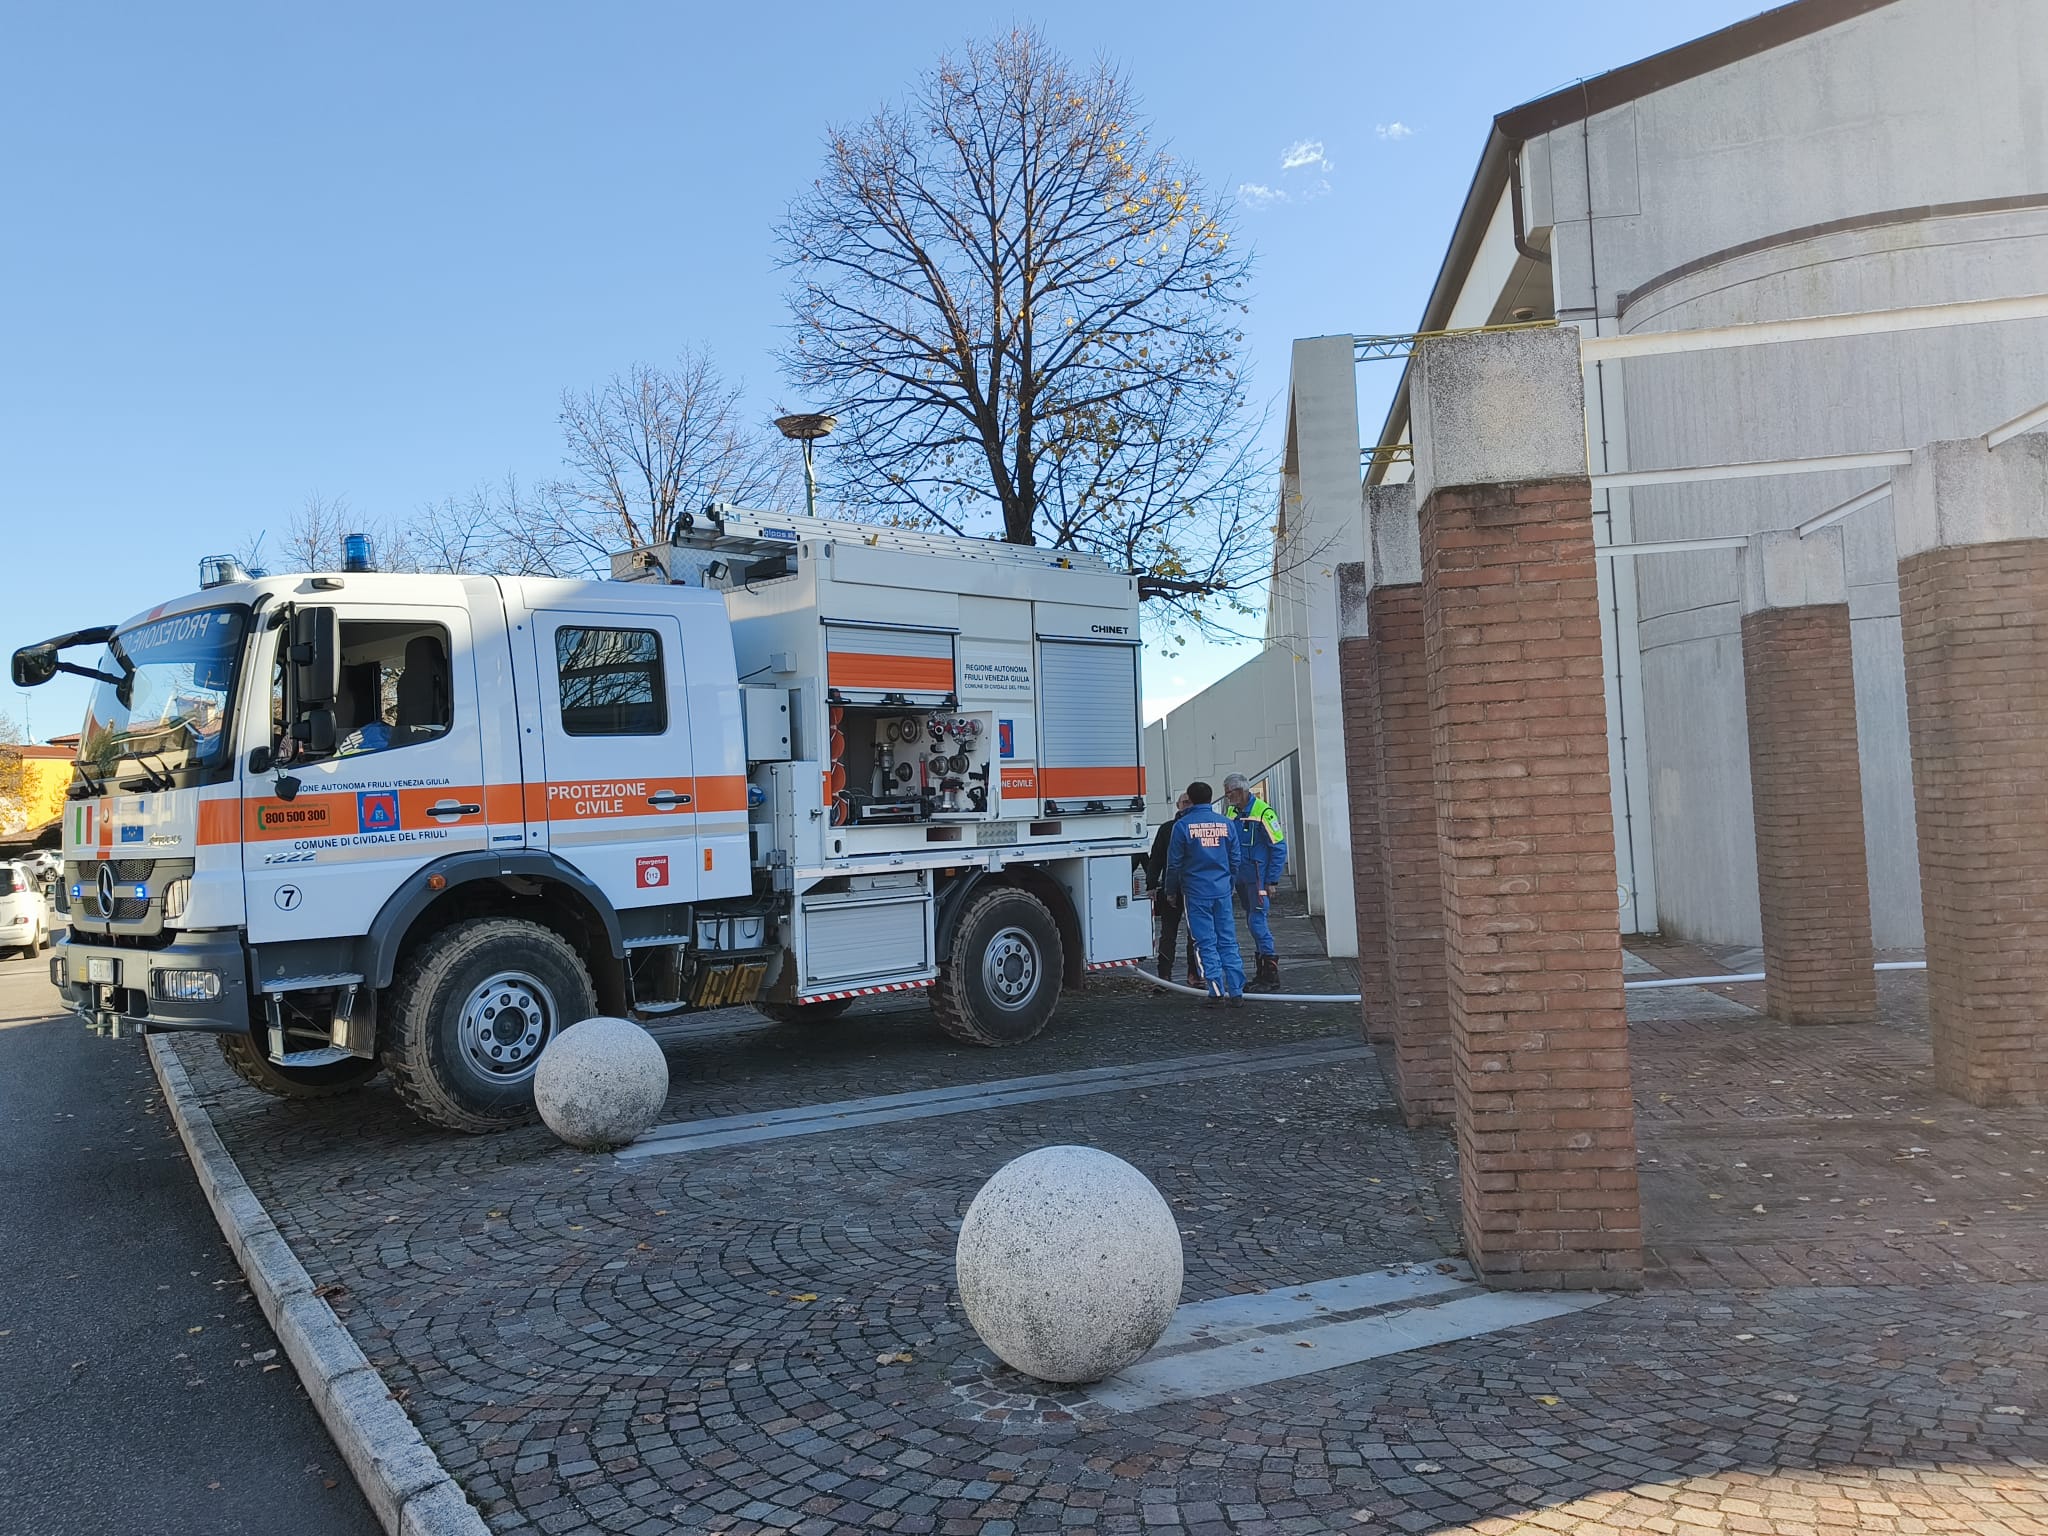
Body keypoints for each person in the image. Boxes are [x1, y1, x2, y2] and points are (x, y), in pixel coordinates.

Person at [1163, 779, 1244, 1005]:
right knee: (1228, 940)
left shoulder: (1182, 826)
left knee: (1204, 942)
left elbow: (1174, 863)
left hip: (1196, 891)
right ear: (1211, 798)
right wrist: (1229, 882)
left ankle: (1216, 990)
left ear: (1190, 799)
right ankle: (1236, 991)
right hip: (1221, 890)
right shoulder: (1226, 824)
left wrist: (1170, 890)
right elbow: (1236, 858)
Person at [1223, 772, 1288, 990]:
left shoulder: (1264, 813)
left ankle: (1270, 974)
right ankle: (1263, 973)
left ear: (1240, 791)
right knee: (1251, 920)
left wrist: (1272, 881)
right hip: (1241, 877)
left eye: (1229, 793)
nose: (1227, 798)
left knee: (1257, 922)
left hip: (1258, 878)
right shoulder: (1232, 811)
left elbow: (1278, 847)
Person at [1144, 792, 1201, 982]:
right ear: (1178, 805)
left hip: (1194, 888)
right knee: (1168, 933)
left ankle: (1194, 974)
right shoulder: (1167, 829)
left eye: (1191, 802)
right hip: (1172, 887)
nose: (1187, 805)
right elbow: (1156, 858)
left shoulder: (1198, 828)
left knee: (1195, 934)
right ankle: (1164, 975)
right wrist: (1151, 884)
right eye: (1184, 802)